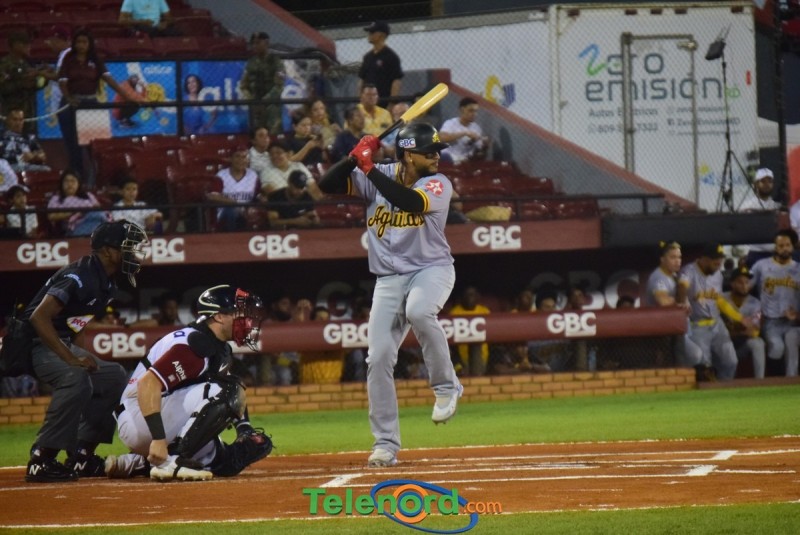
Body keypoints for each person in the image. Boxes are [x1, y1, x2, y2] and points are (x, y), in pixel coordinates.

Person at [319, 122, 461, 468]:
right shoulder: (380, 173)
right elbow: (326, 185)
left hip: (431, 269)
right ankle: (385, 444)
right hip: (387, 279)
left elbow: (409, 202)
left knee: (419, 311)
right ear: (409, 155)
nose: (436, 157)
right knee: (378, 358)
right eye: (429, 152)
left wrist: (367, 167)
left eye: (437, 151)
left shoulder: (438, 183)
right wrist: (353, 158)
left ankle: (446, 387)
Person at [19, 220, 149, 482]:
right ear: (108, 251)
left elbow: (76, 324)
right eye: (128, 247)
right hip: (32, 343)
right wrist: (71, 359)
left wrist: (82, 356)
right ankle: (42, 458)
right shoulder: (80, 275)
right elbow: (38, 317)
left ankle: (81, 454)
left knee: (113, 376)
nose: (134, 253)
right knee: (75, 377)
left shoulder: (106, 282)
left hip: (58, 342)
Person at [106, 285, 273, 481]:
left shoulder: (217, 346)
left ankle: (137, 463)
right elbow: (148, 384)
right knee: (228, 390)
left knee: (238, 455)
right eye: (238, 313)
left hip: (161, 413)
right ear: (219, 316)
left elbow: (231, 384)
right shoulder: (195, 344)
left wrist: (244, 428)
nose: (245, 320)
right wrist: (158, 439)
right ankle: (176, 460)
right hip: (140, 416)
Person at [58, 29, 136, 175]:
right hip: (71, 103)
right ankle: (77, 176)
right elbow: (62, 81)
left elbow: (108, 79)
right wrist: (68, 97)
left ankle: (97, 176)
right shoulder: (68, 58)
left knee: (94, 144)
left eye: (84, 42)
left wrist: (127, 96)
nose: (81, 45)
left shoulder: (95, 59)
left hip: (91, 103)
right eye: (78, 42)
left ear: (89, 44)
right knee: (73, 144)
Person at [682, 243, 751, 381]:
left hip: (717, 324)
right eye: (715, 261)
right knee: (705, 367)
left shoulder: (718, 274)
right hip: (697, 326)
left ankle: (724, 389)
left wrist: (738, 317)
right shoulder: (688, 271)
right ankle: (709, 392)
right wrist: (683, 299)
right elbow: (682, 287)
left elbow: (719, 300)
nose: (718, 264)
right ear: (704, 259)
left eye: (720, 260)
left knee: (731, 361)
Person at [644, 240, 703, 369]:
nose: (678, 261)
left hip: (680, 328)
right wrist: (679, 302)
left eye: (679, 257)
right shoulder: (659, 277)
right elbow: (663, 300)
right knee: (695, 355)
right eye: (673, 257)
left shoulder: (673, 275)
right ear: (662, 259)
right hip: (665, 332)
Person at [749, 230, 800, 377]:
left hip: (793, 322)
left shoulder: (798, 268)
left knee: (791, 344)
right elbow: (746, 286)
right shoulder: (761, 265)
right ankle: (773, 379)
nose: (784, 248)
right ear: (775, 247)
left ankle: (791, 381)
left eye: (787, 245)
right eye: (781, 245)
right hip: (770, 320)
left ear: (793, 246)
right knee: (777, 349)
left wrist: (797, 315)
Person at [0, 32, 55, 128]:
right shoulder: (4, 64)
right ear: (16, 45)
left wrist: (44, 78)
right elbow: (2, 88)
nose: (29, 47)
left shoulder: (25, 64)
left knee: (29, 136)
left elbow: (35, 86)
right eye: (25, 44)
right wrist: (21, 84)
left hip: (29, 112)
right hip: (12, 113)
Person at [722, 266, 767, 379]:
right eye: (740, 282)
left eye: (747, 282)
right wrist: (740, 328)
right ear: (732, 284)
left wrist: (734, 330)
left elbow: (753, 331)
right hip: (722, 345)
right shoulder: (722, 299)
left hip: (741, 345)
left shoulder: (755, 303)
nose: (744, 286)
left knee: (758, 343)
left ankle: (760, 382)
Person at [207, 145, 260, 231]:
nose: (240, 160)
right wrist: (235, 204)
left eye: (244, 157)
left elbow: (258, 195)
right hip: (224, 213)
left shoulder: (253, 175)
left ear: (248, 160)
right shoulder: (221, 175)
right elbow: (212, 196)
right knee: (231, 210)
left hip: (246, 211)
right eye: (237, 156)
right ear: (230, 159)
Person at [240, 32, 284, 135]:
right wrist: (251, 100)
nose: (255, 46)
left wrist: (264, 101)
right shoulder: (251, 62)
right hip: (255, 106)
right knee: (257, 134)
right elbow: (243, 85)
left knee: (274, 134)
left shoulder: (275, 61)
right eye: (253, 43)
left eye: (258, 43)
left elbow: (279, 85)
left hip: (271, 106)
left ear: (266, 43)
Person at [47, 169, 109, 237]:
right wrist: (73, 212)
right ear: (61, 184)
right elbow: (51, 216)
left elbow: (99, 208)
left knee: (100, 215)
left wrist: (91, 209)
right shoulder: (57, 198)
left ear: (78, 183)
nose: (70, 184)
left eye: (73, 181)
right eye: (66, 181)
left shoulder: (88, 195)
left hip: (95, 219)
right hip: (76, 227)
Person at [358, 21, 403, 109]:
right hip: (367, 103)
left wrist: (392, 103)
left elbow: (396, 81)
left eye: (372, 32)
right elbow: (362, 79)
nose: (369, 34)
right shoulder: (367, 57)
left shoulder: (391, 56)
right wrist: (360, 99)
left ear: (381, 35)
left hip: (383, 102)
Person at [448, 286, 490, 376]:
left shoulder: (484, 311)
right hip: (461, 360)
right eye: (467, 295)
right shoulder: (454, 313)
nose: (469, 298)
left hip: (483, 357)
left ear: (477, 297)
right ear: (462, 298)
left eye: (472, 295)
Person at [439, 97, 490, 165]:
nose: (474, 114)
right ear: (462, 110)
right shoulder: (450, 123)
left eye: (476, 111)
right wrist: (464, 133)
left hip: (464, 161)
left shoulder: (477, 128)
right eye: (471, 110)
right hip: (448, 157)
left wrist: (485, 145)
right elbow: (441, 138)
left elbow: (479, 150)